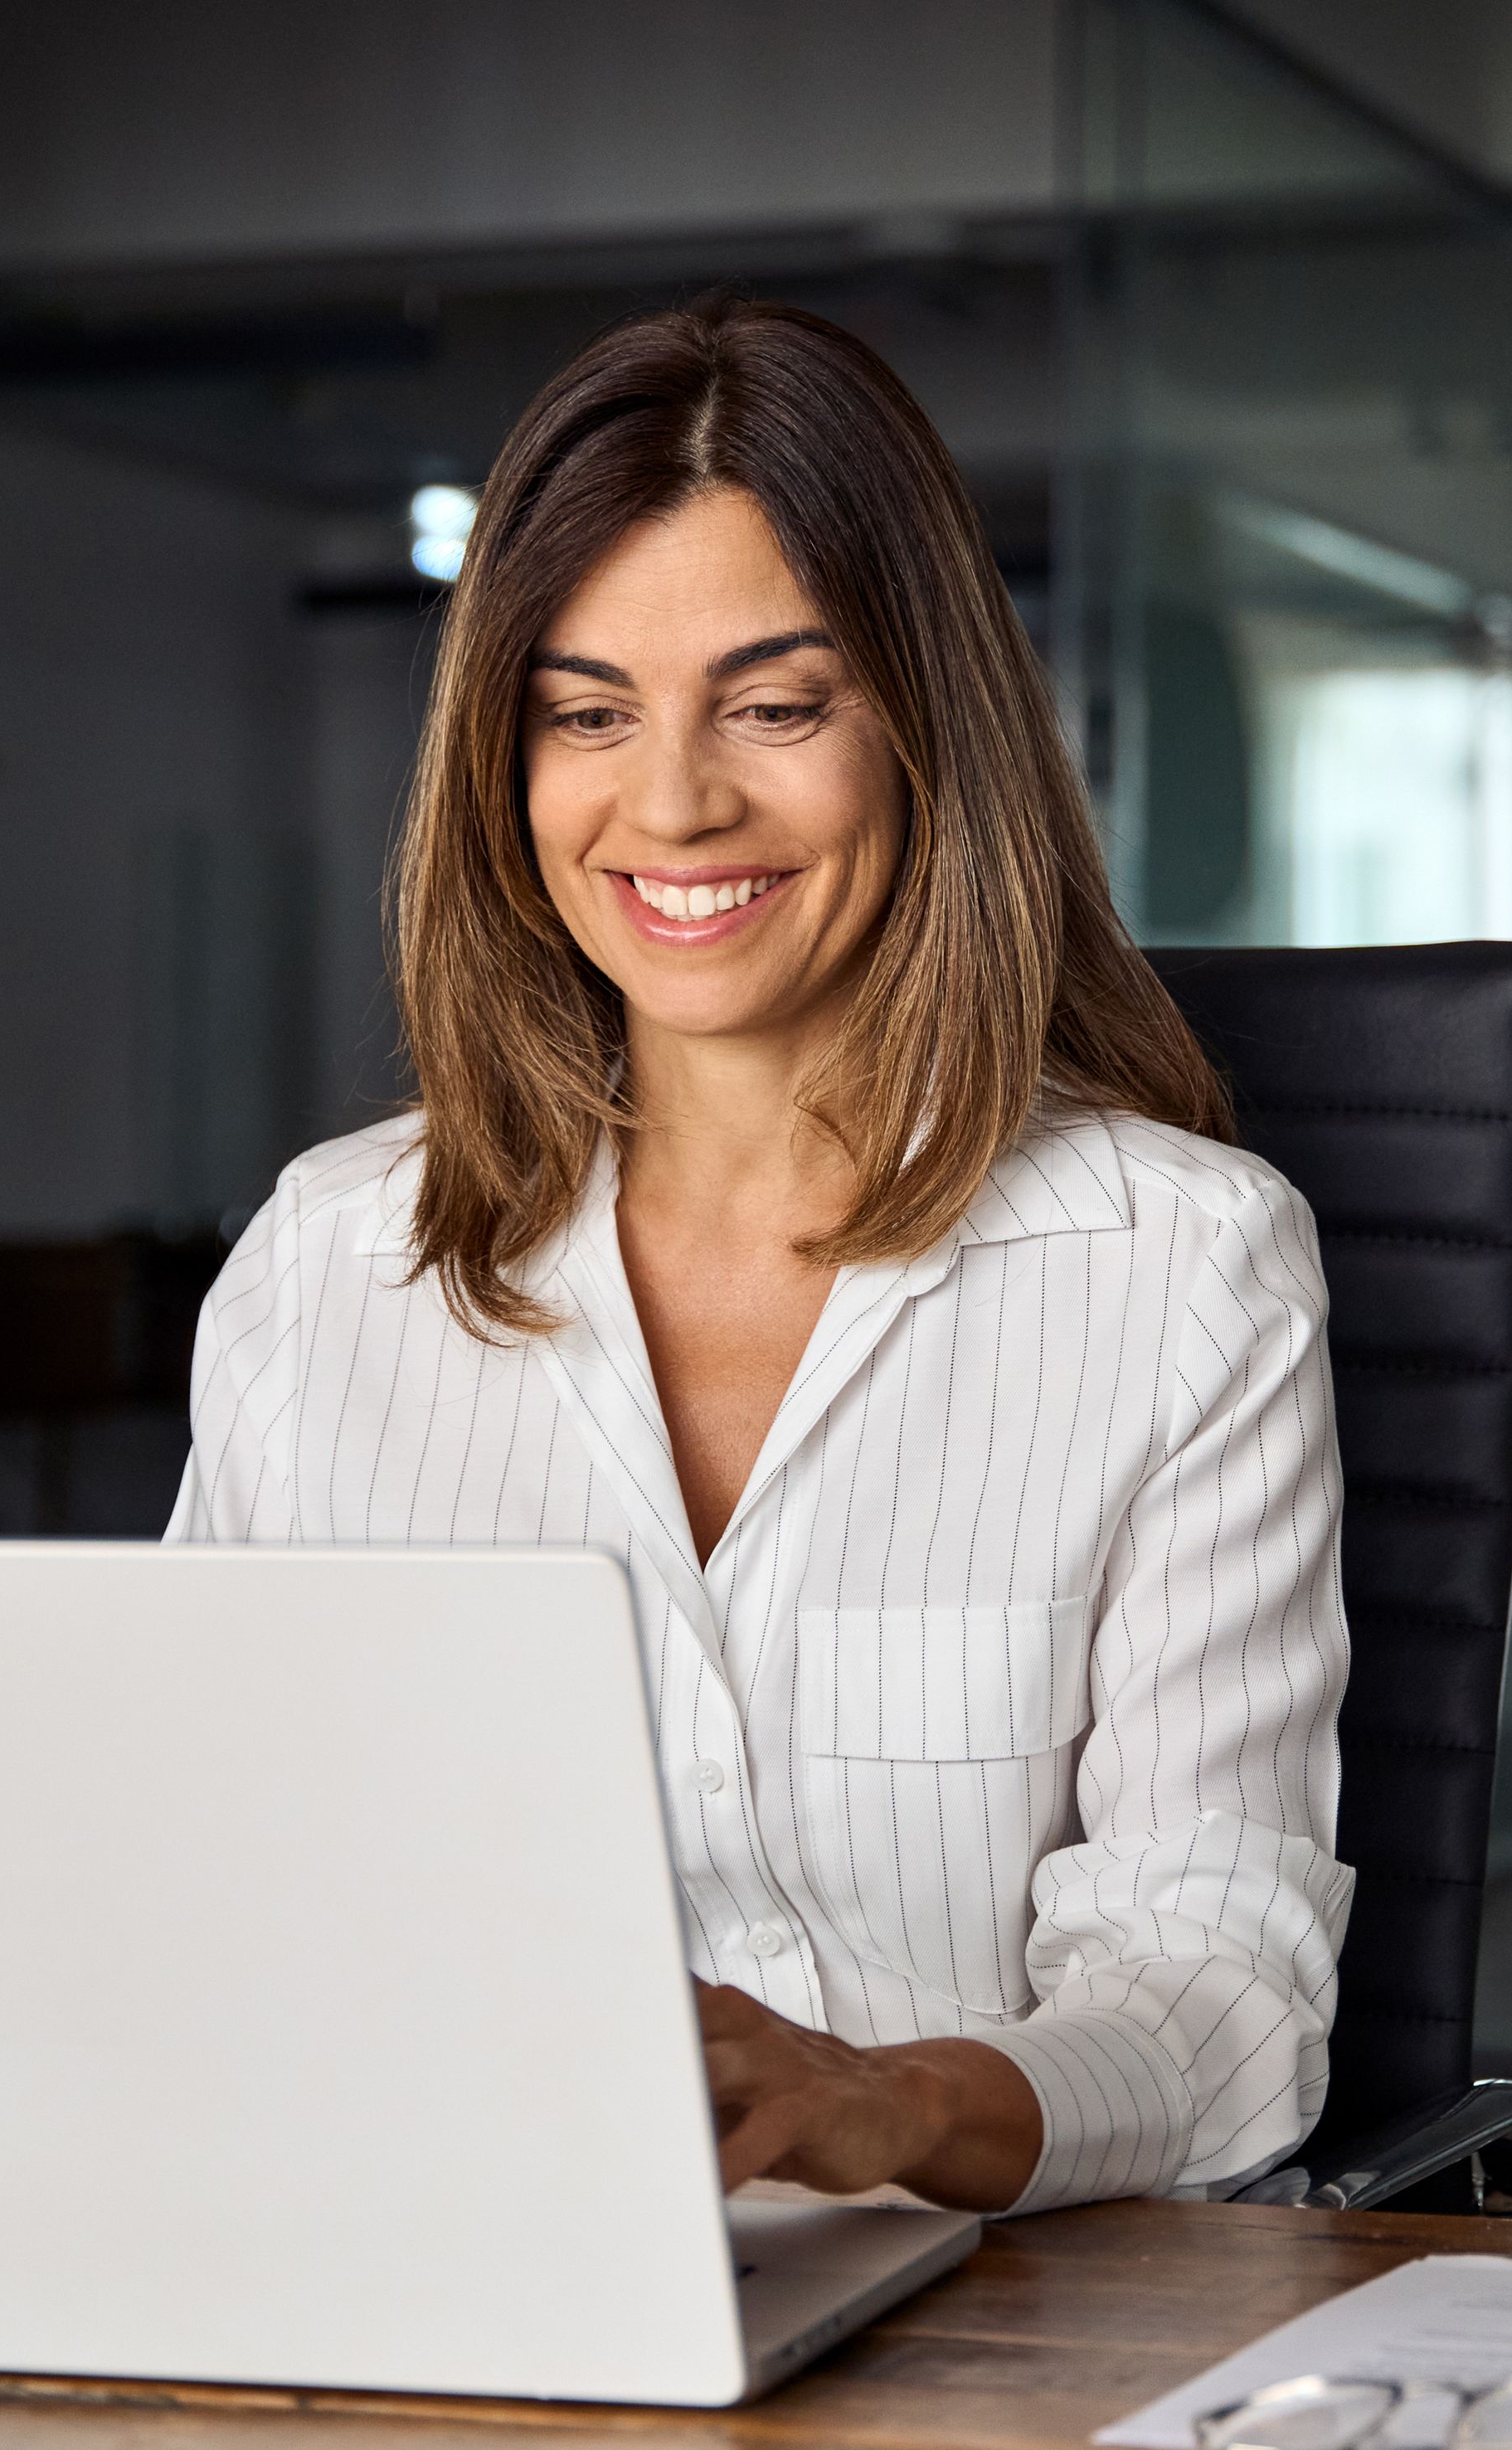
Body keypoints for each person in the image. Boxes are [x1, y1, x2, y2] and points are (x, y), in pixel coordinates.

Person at [168, 298, 1346, 2214]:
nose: (676, 802)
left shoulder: (1183, 1271)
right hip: (447, 2272)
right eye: (587, 712)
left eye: (778, 705)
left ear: (922, 731)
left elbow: (1222, 1996)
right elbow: (194, 1876)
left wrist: (901, 2106)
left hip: (988, 2334)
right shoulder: (331, 1265)